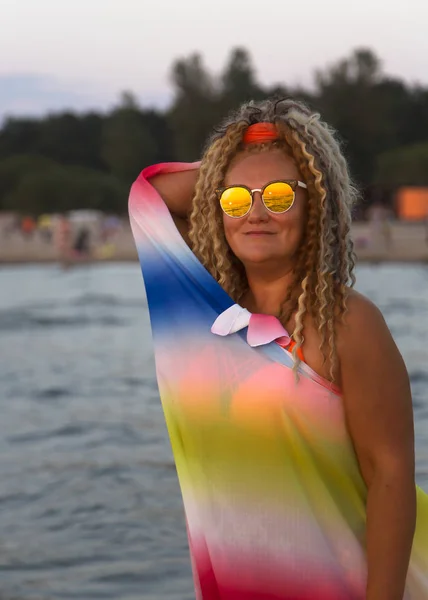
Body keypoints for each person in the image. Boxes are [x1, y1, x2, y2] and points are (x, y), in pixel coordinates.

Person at [129, 99, 428, 599]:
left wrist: (297, 153)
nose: (258, 214)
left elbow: (390, 477)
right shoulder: (210, 313)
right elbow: (149, 197)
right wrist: (244, 151)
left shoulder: (347, 323)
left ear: (316, 206)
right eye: (238, 201)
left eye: (281, 197)